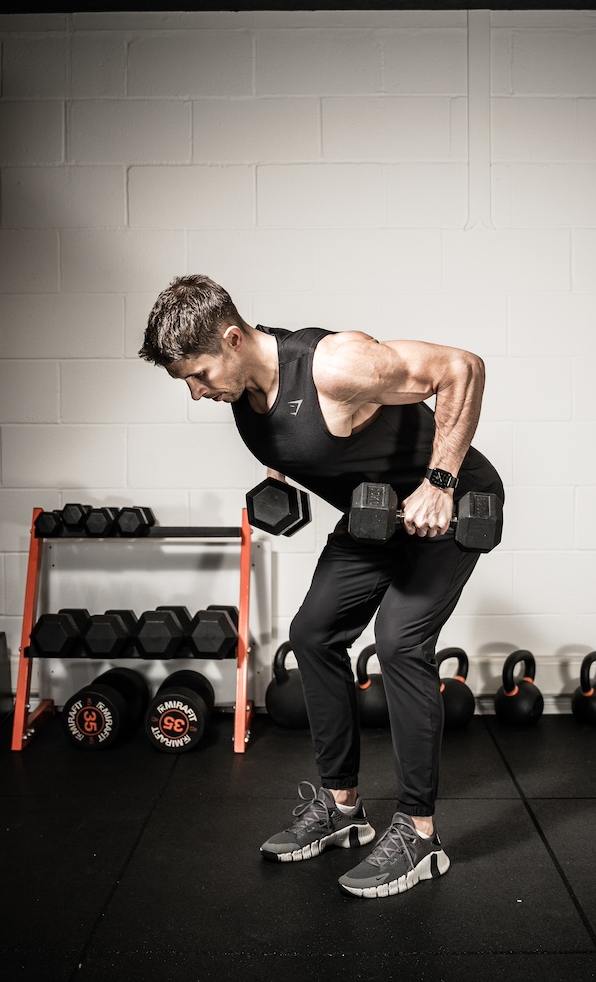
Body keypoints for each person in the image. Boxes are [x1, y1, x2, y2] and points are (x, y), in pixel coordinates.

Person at [139, 273, 504, 899]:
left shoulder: (334, 365)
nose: (196, 393)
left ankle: (419, 835)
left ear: (231, 339)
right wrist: (285, 475)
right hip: (377, 513)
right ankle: (341, 809)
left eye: (197, 375)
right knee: (313, 632)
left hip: (449, 503)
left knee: (399, 643)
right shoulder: (247, 395)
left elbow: (462, 369)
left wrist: (440, 482)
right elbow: (316, 439)